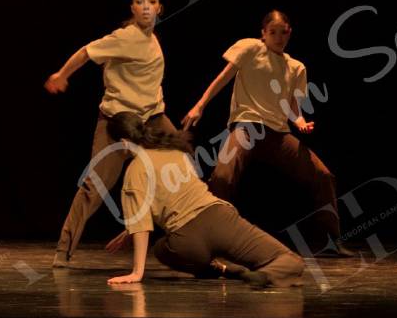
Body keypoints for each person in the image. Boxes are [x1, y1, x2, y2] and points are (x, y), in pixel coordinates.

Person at [181, 9, 345, 255]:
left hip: (277, 134)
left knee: (323, 175)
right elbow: (223, 78)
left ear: (289, 33)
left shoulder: (296, 67)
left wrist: (300, 121)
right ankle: (213, 239)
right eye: (272, 32)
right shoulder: (250, 48)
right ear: (263, 33)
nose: (278, 38)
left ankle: (329, 240)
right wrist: (199, 106)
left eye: (283, 32)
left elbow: (293, 108)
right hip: (246, 127)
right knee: (222, 177)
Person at [103, 113, 305, 288]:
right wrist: (129, 230)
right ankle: (266, 276)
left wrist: (137, 273)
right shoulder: (173, 150)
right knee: (289, 260)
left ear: (124, 142)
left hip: (188, 242)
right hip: (220, 220)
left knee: (161, 250)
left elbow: (142, 226)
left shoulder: (135, 171)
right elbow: (175, 194)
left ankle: (227, 270)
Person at [46, 0, 171, 266]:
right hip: (117, 121)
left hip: (151, 118)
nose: (146, 6)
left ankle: (190, 235)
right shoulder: (126, 37)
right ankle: (63, 249)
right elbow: (86, 52)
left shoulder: (152, 39)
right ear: (133, 9)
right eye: (140, 2)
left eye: (151, 1)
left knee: (181, 164)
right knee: (96, 185)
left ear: (159, 8)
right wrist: (62, 75)